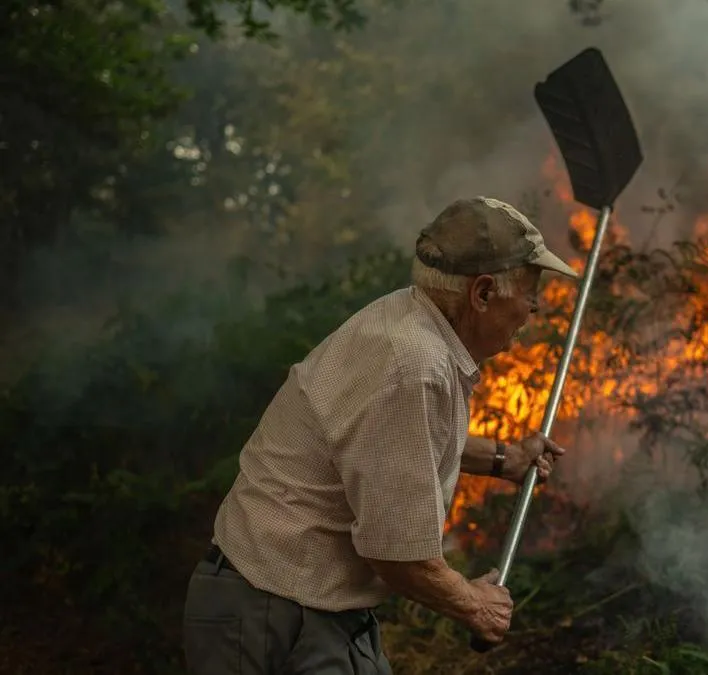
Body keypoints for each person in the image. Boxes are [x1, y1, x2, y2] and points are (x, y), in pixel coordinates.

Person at [182, 196, 577, 675]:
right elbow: (397, 555)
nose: (535, 307)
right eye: (530, 292)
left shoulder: (407, 320)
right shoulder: (414, 364)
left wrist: (503, 458)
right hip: (279, 613)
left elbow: (391, 446)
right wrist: (475, 604)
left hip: (269, 600)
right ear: (484, 293)